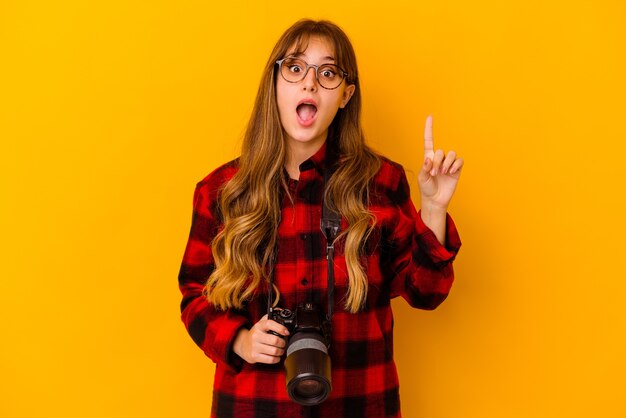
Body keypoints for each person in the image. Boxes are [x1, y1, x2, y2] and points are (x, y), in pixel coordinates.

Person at [178, 19, 464, 418]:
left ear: (346, 95)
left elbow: (426, 293)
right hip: (255, 406)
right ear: (275, 82)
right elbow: (194, 295)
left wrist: (433, 209)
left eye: (327, 73)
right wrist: (240, 340)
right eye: (295, 69)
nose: (310, 84)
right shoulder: (221, 192)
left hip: (360, 403)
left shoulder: (381, 183)